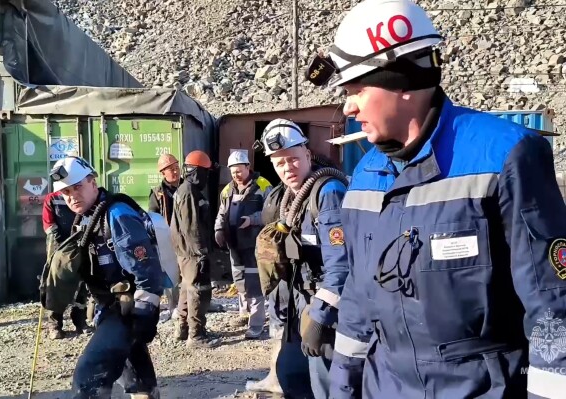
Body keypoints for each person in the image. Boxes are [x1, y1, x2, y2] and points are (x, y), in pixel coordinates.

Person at [306, 1, 566, 398]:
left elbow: (552, 304)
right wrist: (342, 387)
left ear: (402, 83)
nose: (348, 106)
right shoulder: (364, 177)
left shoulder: (506, 156)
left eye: (357, 89)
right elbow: (358, 299)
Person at [49, 156, 163, 398]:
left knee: (89, 375)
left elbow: (147, 270)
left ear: (93, 182)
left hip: (126, 309)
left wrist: (144, 314)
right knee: (134, 371)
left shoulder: (117, 215)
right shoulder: (88, 216)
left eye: (77, 187)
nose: (72, 196)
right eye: (65, 192)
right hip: (108, 305)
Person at [251, 119, 349, 399]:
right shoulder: (284, 197)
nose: (287, 168)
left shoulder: (328, 193)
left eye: (293, 159)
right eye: (279, 163)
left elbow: (341, 266)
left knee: (328, 385)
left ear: (307, 153)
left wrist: (319, 320)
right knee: (291, 374)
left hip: (330, 310)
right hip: (299, 304)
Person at [214, 150, 272, 339]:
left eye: (239, 171)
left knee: (254, 283)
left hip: (255, 245)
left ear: (248, 167)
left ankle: (256, 323)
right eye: (233, 172)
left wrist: (253, 219)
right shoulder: (227, 190)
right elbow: (221, 213)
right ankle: (244, 314)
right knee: (239, 280)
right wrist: (219, 230)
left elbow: (272, 213)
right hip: (235, 245)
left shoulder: (263, 186)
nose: (236, 175)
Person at [171, 150, 221, 349]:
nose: (207, 177)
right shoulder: (189, 192)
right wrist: (201, 251)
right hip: (192, 252)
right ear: (199, 172)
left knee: (186, 288)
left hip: (185, 251)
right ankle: (196, 335)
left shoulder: (184, 189)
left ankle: (183, 329)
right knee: (197, 291)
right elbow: (192, 227)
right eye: (206, 172)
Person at [42, 190, 90, 339]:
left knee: (82, 282)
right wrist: (61, 245)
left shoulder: (85, 194)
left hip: (82, 243)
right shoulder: (52, 198)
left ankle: (80, 322)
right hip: (60, 247)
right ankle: (54, 324)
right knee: (56, 283)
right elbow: (49, 224)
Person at [148, 153, 183, 315]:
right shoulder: (157, 194)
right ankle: (174, 305)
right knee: (171, 271)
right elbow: (153, 217)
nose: (175, 172)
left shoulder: (188, 187)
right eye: (171, 169)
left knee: (192, 270)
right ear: (163, 173)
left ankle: (197, 301)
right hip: (167, 238)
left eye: (176, 168)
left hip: (187, 237)